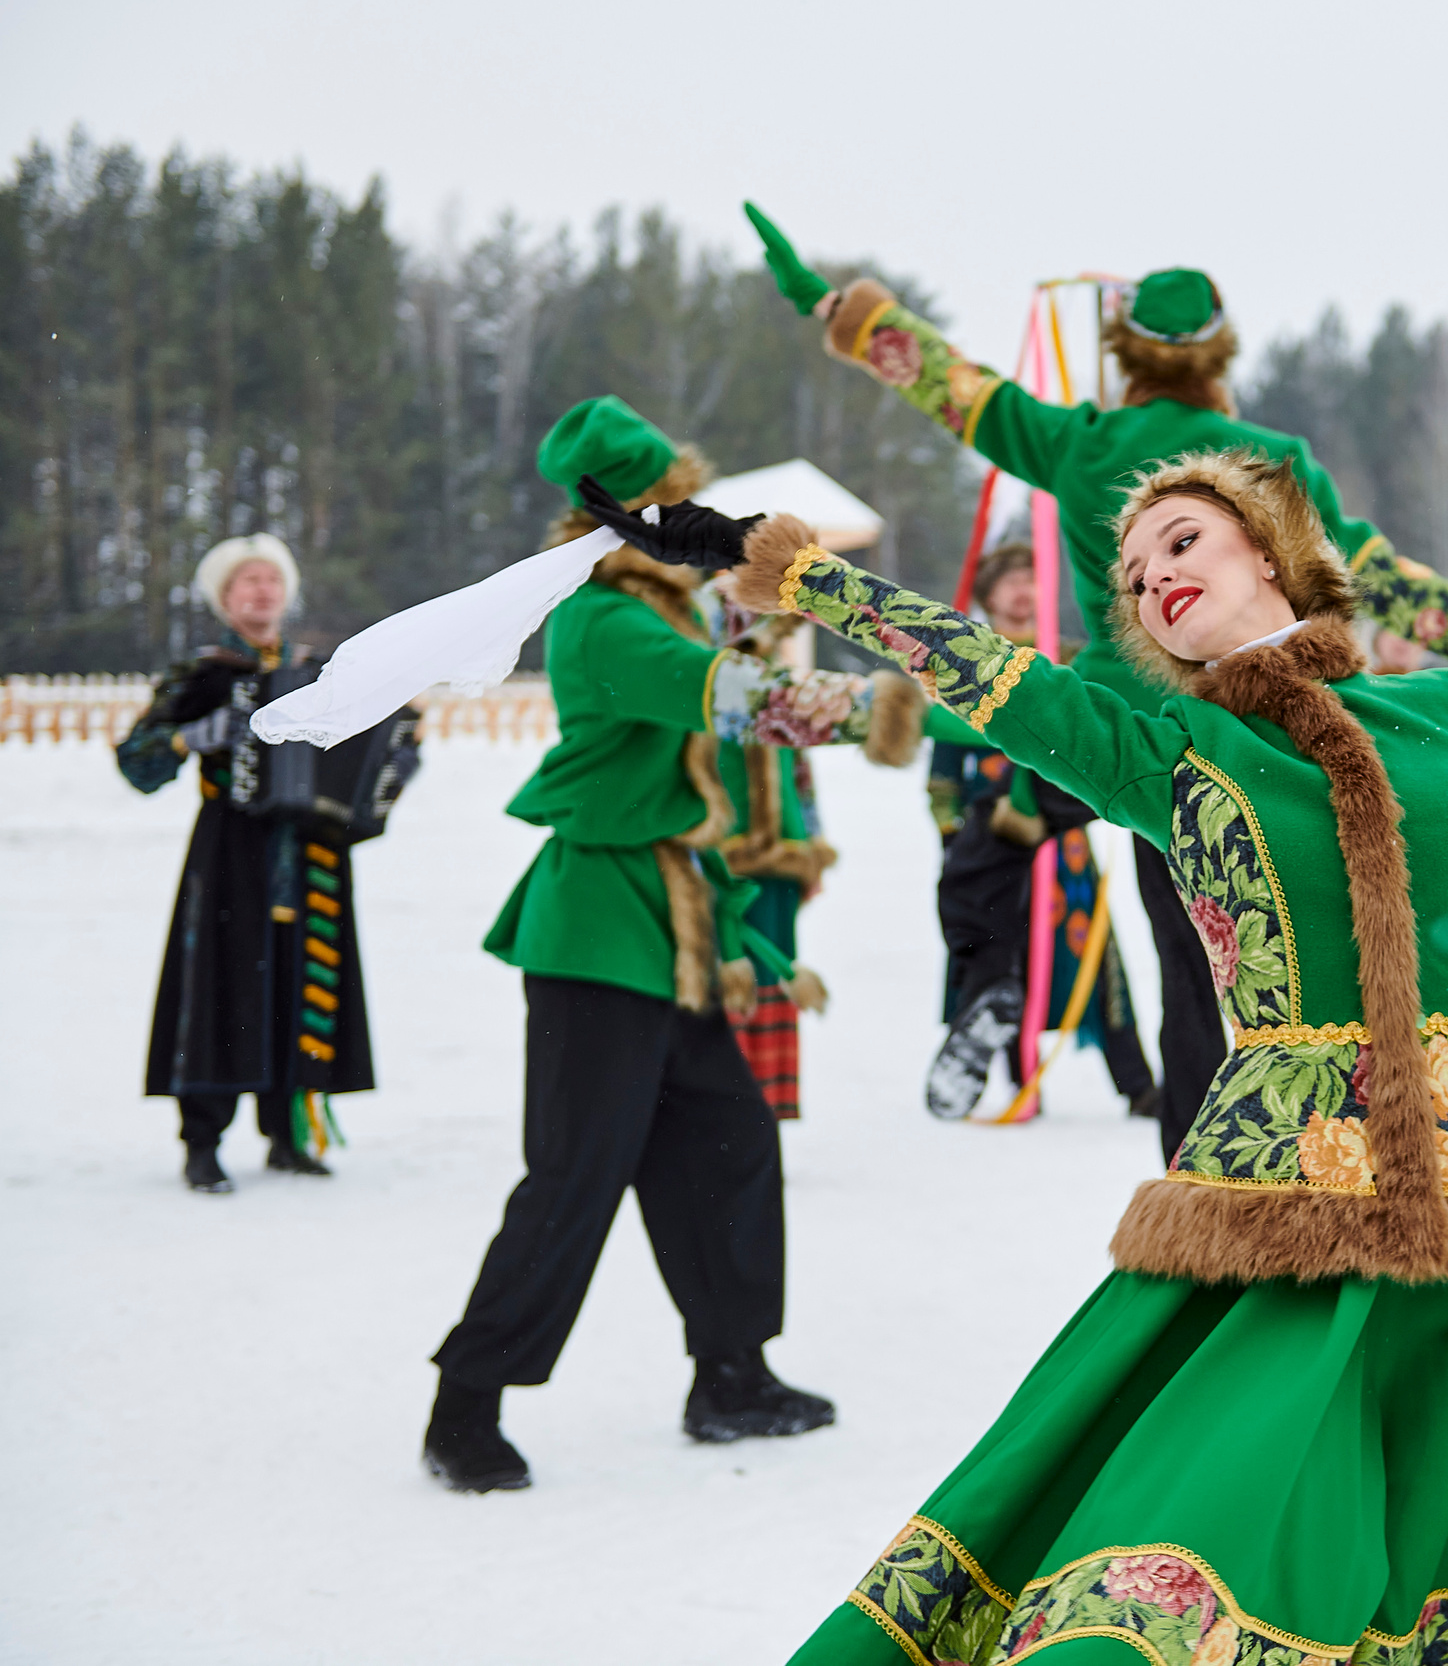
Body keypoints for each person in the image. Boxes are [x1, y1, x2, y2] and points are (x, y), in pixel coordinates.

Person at [587, 445, 1448, 1664]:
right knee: (1184, 1559)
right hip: (1278, 1220)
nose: (1151, 574)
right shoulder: (1163, 750)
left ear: (1267, 552)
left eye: (1180, 540)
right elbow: (980, 668)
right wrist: (796, 573)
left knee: (1437, 1582)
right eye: (1129, 569)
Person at [764, 227, 1448, 1163]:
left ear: (1128, 356)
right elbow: (1372, 572)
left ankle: (989, 980)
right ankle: (1222, 1176)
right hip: (1232, 750)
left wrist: (852, 317)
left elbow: (958, 390)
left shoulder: (1085, 442)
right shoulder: (1273, 456)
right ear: (1219, 355)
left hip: (1099, 727)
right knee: (1204, 975)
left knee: (984, 852)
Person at [420, 397, 924, 1494]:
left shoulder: (664, 602)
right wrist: (899, 705)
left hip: (675, 920)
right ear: (620, 513)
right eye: (667, 500)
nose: (686, 514)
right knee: (574, 1174)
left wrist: (763, 582)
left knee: (730, 1143)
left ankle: (732, 1375)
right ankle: (466, 1400)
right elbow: (732, 699)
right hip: (598, 925)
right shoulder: (600, 619)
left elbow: (735, 653)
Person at [118, 533, 419, 1192]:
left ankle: (288, 1133)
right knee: (220, 984)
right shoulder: (204, 675)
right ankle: (203, 1141)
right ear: (225, 598)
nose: (262, 591)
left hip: (313, 852)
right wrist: (189, 734)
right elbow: (135, 761)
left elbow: (379, 740)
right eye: (247, 582)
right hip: (231, 850)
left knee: (298, 977)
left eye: (271, 580)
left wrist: (396, 758)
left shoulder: (325, 671)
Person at [921, 543, 1156, 1119]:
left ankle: (1138, 1085)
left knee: (1095, 955)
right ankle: (1020, 1081)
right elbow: (943, 774)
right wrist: (951, 834)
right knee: (1006, 950)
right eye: (1011, 581)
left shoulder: (1064, 658)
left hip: (1063, 836)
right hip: (996, 833)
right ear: (989, 594)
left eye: (1033, 579)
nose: (1024, 591)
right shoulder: (962, 664)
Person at [702, 587, 837, 1119]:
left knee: (773, 969)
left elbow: (800, 775)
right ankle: (723, 1102)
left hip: (782, 856)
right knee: (726, 966)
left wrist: (811, 844)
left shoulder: (782, 695)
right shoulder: (705, 693)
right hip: (721, 853)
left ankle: (765, 1103)